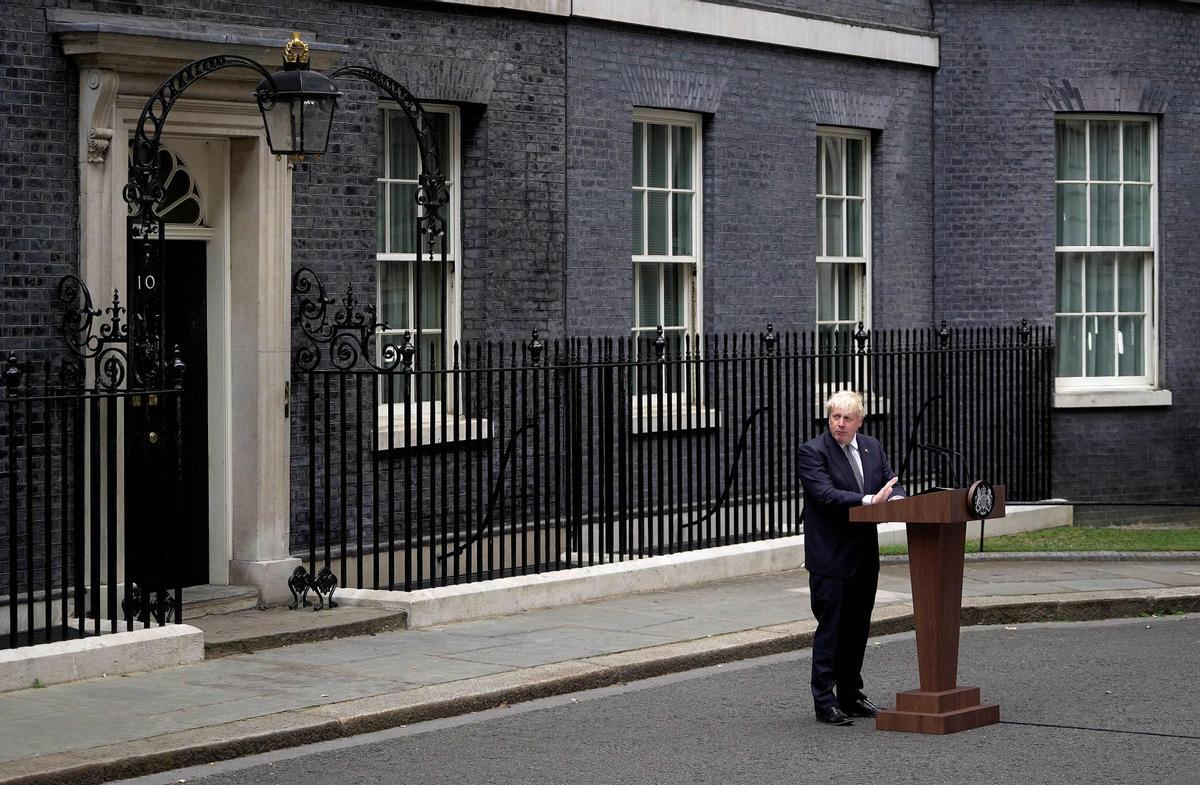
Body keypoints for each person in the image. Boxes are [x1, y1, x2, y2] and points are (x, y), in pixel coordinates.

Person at [798, 389, 904, 726]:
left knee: (858, 628)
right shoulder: (813, 452)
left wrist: (899, 499)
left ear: (859, 420)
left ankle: (851, 693)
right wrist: (871, 500)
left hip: (863, 555)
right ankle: (824, 700)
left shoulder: (871, 447)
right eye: (834, 417)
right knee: (831, 628)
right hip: (830, 555)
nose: (839, 424)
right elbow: (826, 494)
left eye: (846, 418)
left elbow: (891, 482)